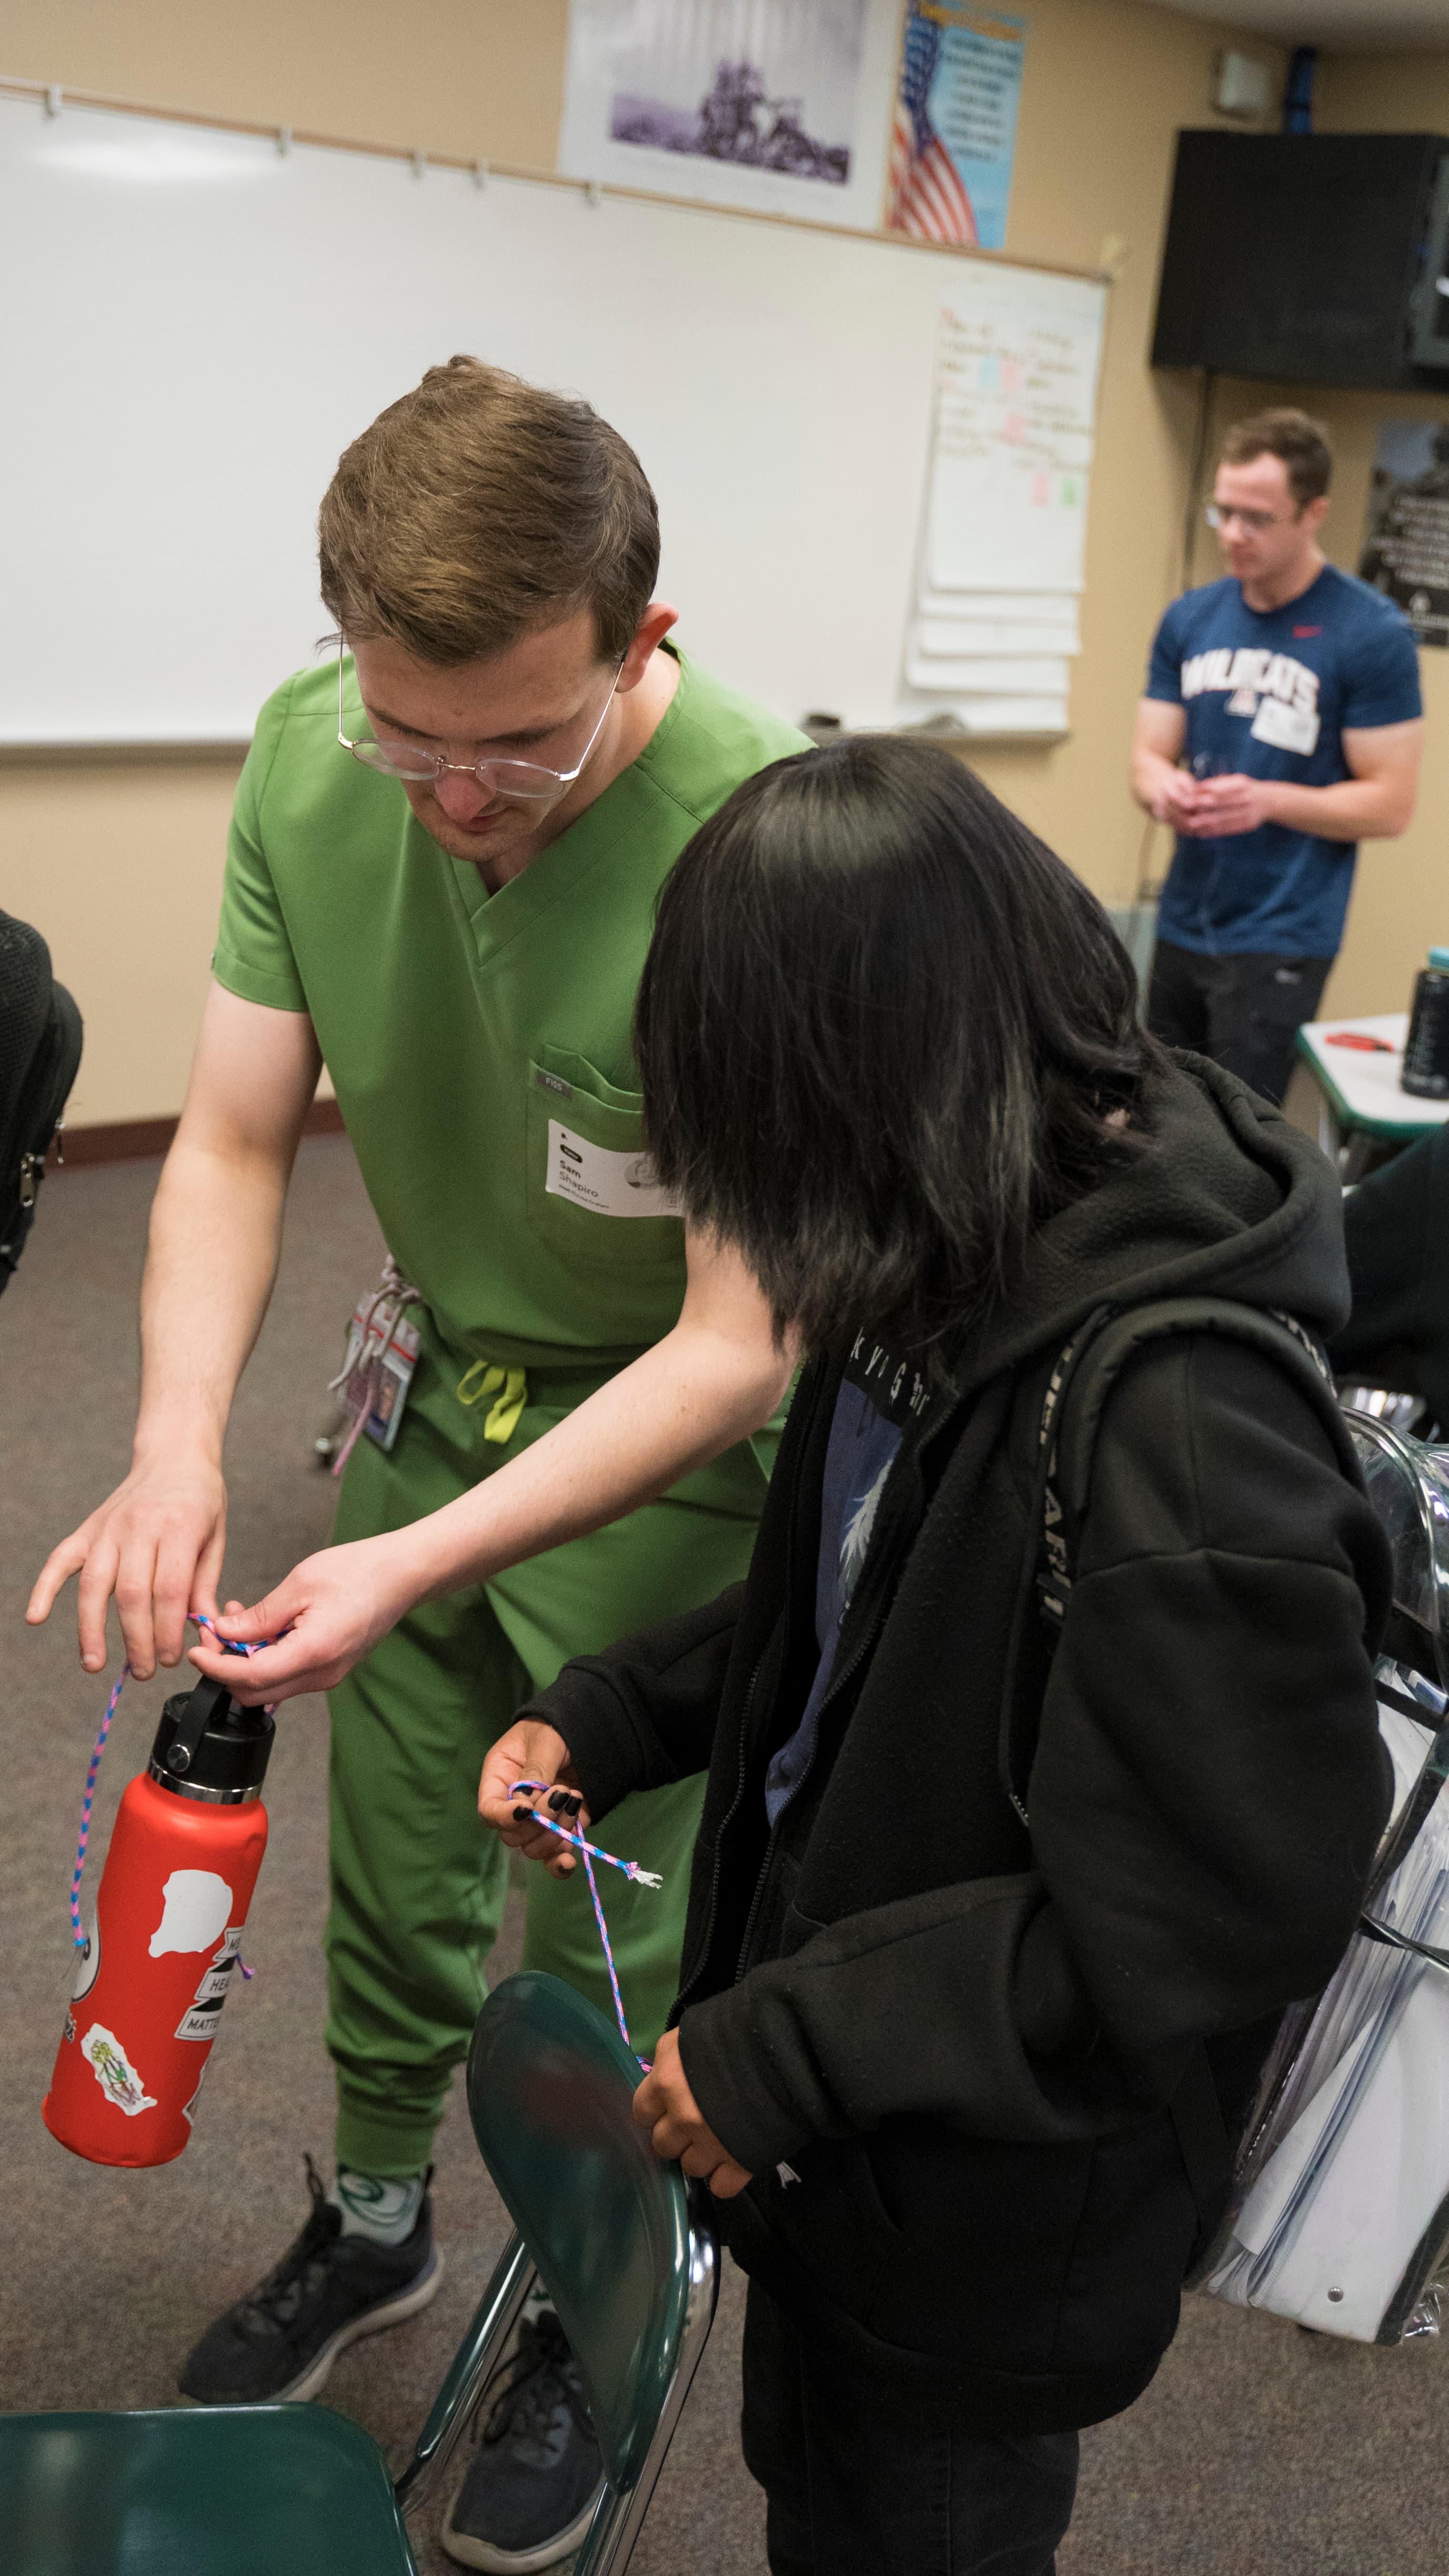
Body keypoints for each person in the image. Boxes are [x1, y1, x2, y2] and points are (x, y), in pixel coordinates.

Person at [27, 358, 803, 2571]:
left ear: (644, 642)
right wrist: (177, 1446)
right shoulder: (312, 753)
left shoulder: (756, 842)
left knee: (604, 1920)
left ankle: (589, 2302)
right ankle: (371, 2225)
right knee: (383, 1848)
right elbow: (239, 1136)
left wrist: (405, 1563)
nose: (456, 793)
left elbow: (741, 1339)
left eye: (521, 742)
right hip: (438, 1388)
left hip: (667, 1438)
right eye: (412, 733)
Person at [479, 737, 1392, 2576]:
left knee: (915, 2528)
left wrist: (792, 2043)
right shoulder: (940, 1247)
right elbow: (859, 1599)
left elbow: (1216, 1904)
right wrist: (618, 1707)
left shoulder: (1185, 1430)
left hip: (979, 2207)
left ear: (865, 1081)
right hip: (844, 2141)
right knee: (820, 2501)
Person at [1132, 406, 1423, 1105]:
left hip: (1281, 935)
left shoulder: (1369, 633)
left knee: (1236, 1138)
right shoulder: (1190, 618)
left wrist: (1267, 801)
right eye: (1223, 512)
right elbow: (1146, 757)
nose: (1233, 534)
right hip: (1183, 917)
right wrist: (1162, 788)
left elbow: (1389, 805)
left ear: (1312, 511)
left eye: (1256, 518)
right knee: (1156, 1118)